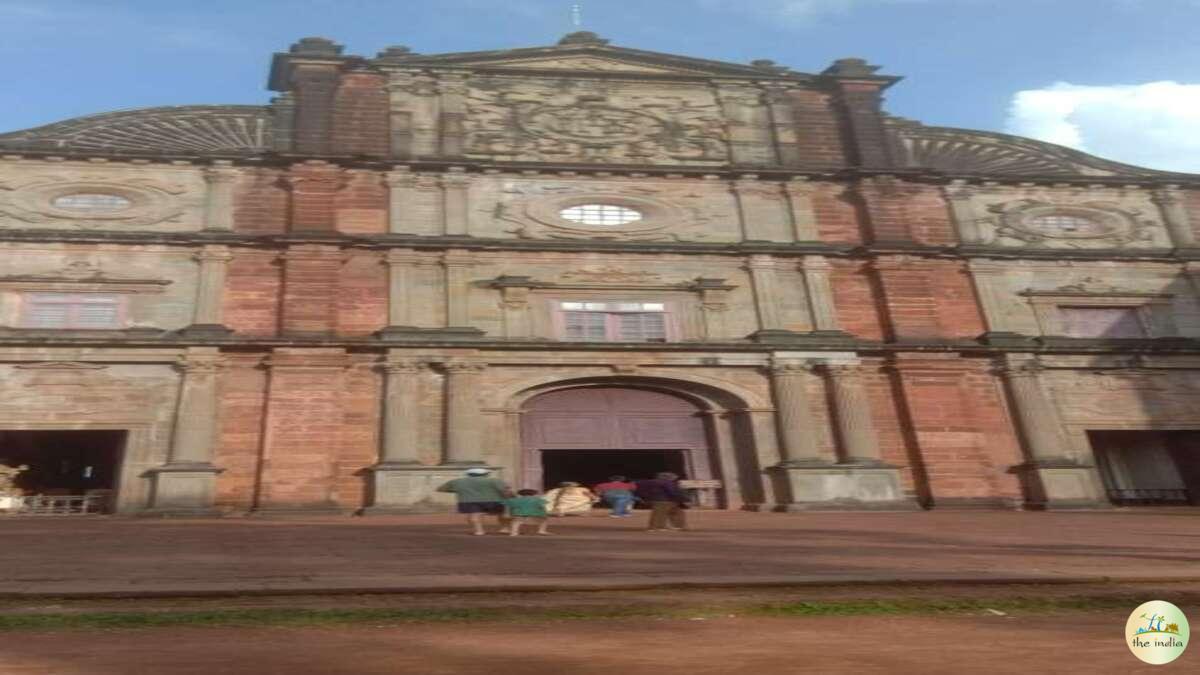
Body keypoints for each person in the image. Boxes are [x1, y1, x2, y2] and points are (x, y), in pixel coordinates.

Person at [436, 467, 513, 535]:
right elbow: (505, 490)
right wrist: (511, 497)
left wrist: (459, 490)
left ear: (469, 474)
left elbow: (441, 489)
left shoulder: (457, 481)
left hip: (468, 500)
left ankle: (479, 531)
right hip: (494, 500)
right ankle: (504, 528)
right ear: (486, 474)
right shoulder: (494, 480)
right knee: (502, 513)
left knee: (474, 515)